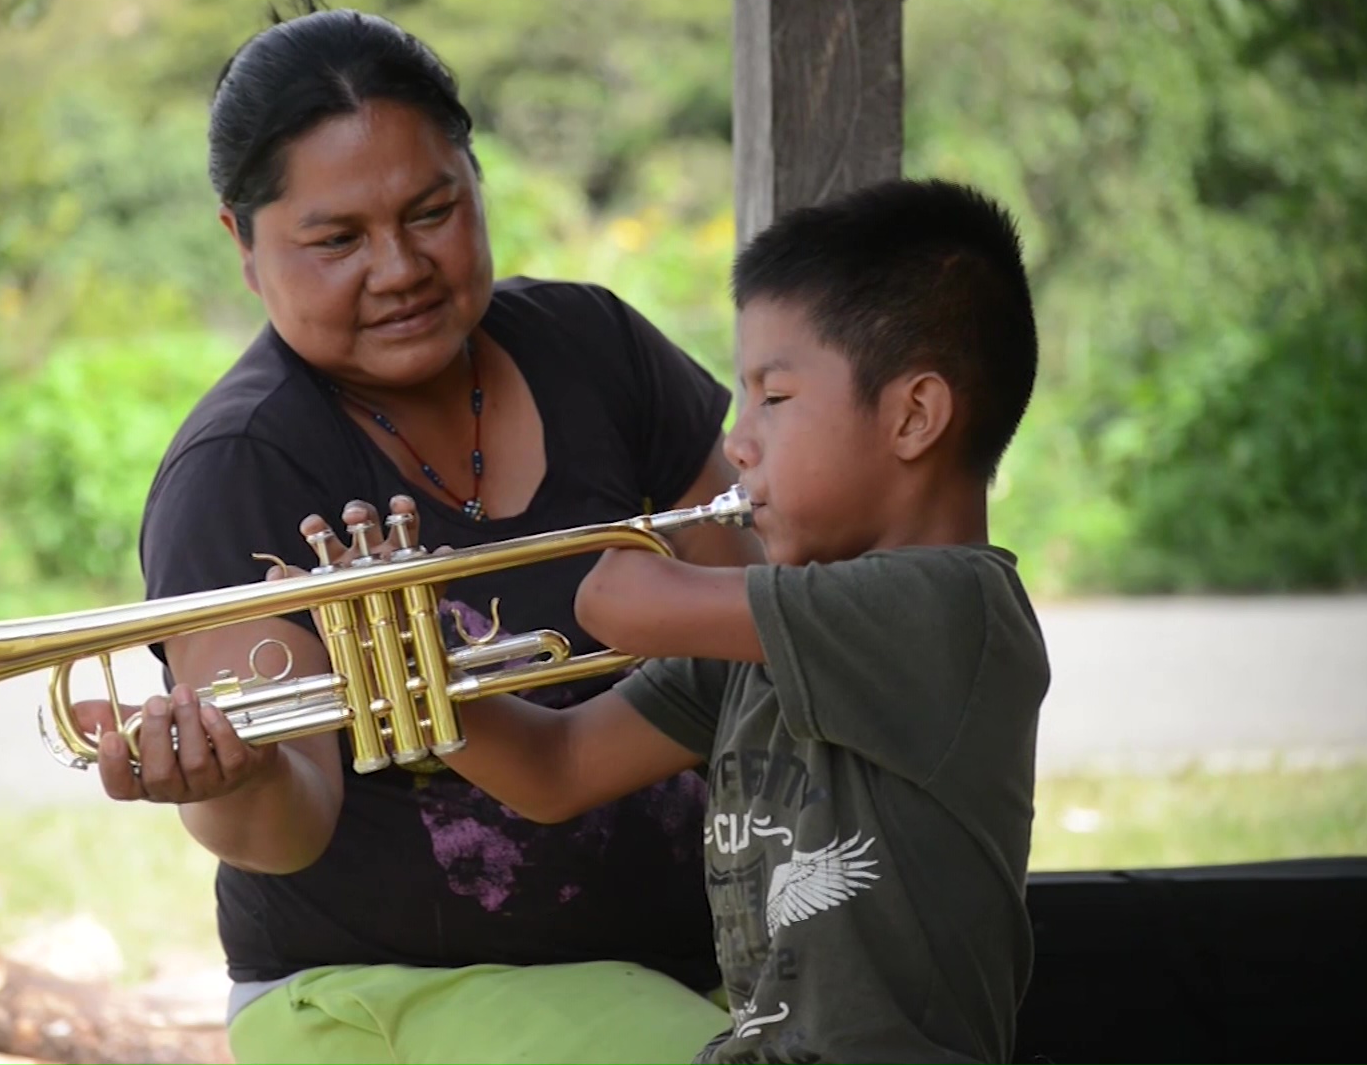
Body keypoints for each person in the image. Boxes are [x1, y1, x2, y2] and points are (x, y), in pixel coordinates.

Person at [72, 0, 761, 1065]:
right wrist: (236, 778)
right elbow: (283, 827)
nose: (398, 268)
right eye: (337, 239)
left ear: (477, 182)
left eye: (432, 211)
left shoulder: (596, 344)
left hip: (700, 965)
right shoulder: (241, 468)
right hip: (381, 998)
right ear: (243, 246)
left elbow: (752, 623)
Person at [316, 179, 1052, 1064]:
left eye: (773, 399)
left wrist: (624, 539)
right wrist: (401, 659)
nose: (740, 443)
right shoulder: (763, 639)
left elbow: (617, 602)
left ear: (914, 416)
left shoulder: (952, 606)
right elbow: (556, 768)